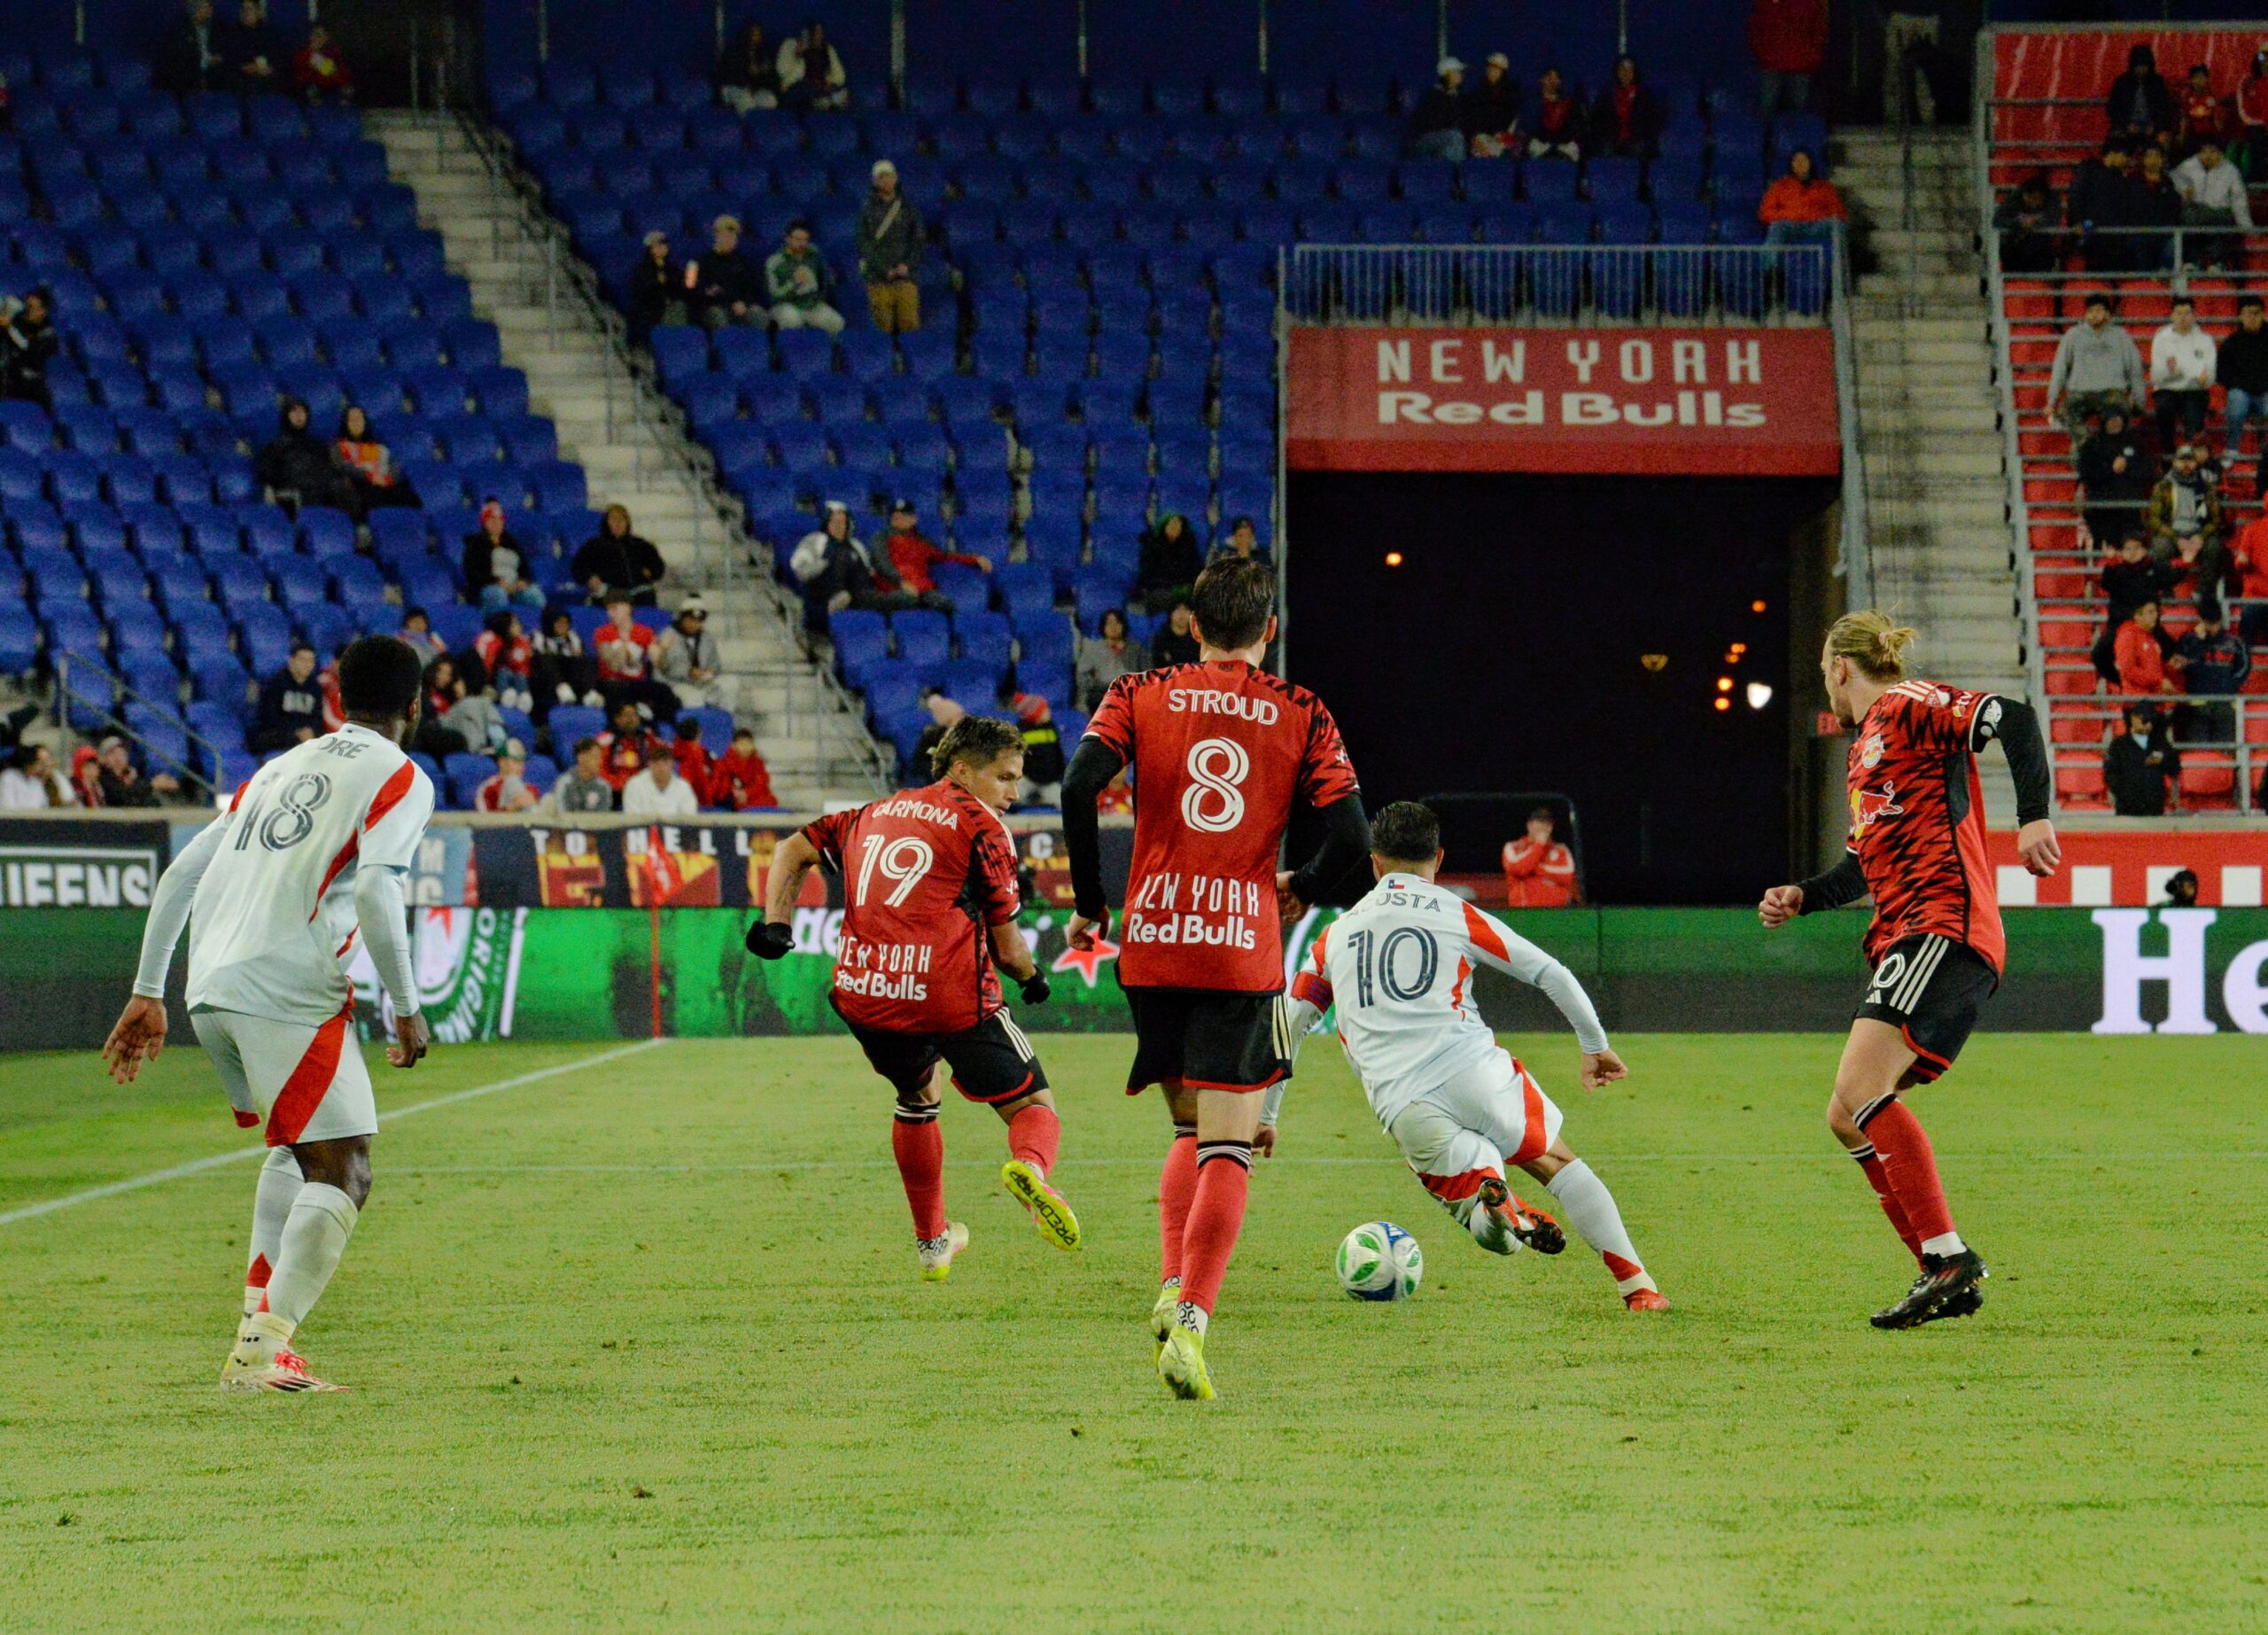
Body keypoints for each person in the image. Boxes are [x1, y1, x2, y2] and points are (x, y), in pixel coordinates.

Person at [1060, 557, 1371, 1400]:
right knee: (1230, 1143)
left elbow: (1079, 784)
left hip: (1155, 939)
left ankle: (1171, 1282)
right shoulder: (1301, 709)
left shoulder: (1138, 690)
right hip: (1238, 945)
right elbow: (1352, 834)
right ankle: (1193, 1322)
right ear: (1269, 630)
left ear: (1192, 627)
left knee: (1187, 1127)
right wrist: (1304, 883)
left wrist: (1090, 902)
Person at [104, 636, 435, 1393]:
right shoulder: (400, 774)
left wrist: (150, 988)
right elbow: (379, 889)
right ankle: (261, 1353)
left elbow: (183, 873)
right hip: (285, 986)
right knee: (345, 1169)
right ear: (416, 707)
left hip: (209, 985)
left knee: (296, 1150)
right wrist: (406, 1004)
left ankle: (258, 1337)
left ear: (336, 699)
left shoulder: (278, 767)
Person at [1758, 611, 2057, 1329]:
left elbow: (2013, 719)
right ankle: (1937, 1265)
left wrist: (2034, 816)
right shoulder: (1867, 751)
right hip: (1909, 933)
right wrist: (1804, 895)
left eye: (1824, 672)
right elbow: (1861, 865)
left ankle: (1950, 1260)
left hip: (1943, 923)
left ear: (1839, 667)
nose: (1827, 686)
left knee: (1860, 1086)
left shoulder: (1907, 704)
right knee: (1845, 1113)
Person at [1281, 801, 1665, 1312]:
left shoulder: (1335, 935)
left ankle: (1495, 1202)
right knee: (1558, 1164)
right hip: (1473, 1072)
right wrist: (1595, 1046)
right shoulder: (1456, 913)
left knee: (1485, 1226)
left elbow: (1289, 1023)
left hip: (1402, 1103)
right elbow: (1550, 972)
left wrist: (1265, 1115)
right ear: (1438, 858)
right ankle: (1639, 1289)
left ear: (1375, 862)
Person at [750, 713, 1073, 1273]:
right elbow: (1008, 949)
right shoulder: (982, 827)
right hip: (948, 995)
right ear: (962, 770)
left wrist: (777, 923)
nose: (1014, 794)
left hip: (866, 993)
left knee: (918, 1098)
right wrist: (1032, 979)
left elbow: (789, 850)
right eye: (1004, 777)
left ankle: (933, 1243)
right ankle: (1030, 1168)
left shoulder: (870, 813)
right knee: (1033, 1106)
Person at [2047, 293, 2146, 448]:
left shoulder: (2121, 336)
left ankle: (2110, 450)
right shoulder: (2072, 336)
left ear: (2108, 314)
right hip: (2080, 393)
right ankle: (2087, 446)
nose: (2094, 315)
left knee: (2119, 416)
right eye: (2090, 311)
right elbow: (2059, 369)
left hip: (2112, 393)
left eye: (2099, 310)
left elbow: (2135, 370)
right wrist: (2051, 401)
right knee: (2066, 412)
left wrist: (2138, 400)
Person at [857, 160, 925, 335]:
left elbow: (918, 241)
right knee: (882, 327)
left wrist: (907, 265)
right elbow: (864, 244)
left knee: (909, 325)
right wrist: (884, 269)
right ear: (875, 182)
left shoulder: (909, 209)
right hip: (878, 278)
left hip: (905, 276)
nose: (886, 181)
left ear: (896, 179)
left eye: (889, 177)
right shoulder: (866, 211)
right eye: (882, 178)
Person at [255, 397, 352, 512]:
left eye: (302, 412)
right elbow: (266, 474)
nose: (299, 416)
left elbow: (331, 468)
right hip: (296, 490)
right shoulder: (275, 446)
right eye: (294, 411)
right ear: (286, 416)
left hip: (324, 487)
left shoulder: (317, 444)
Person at [2078, 409, 2154, 550]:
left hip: (2130, 504)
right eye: (2111, 420)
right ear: (2104, 422)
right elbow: (2087, 475)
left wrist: (2127, 467)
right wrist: (2111, 470)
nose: (2115, 423)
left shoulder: (2136, 443)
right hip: (2102, 505)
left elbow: (2147, 471)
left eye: (2118, 420)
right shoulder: (2092, 445)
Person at [2178, 595, 2249, 744]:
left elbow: (2244, 668)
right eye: (2209, 623)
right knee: (2198, 749)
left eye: (2216, 622)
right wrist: (2200, 642)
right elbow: (2184, 668)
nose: (2213, 627)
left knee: (2225, 749)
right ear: (2201, 620)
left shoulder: (2235, 643)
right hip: (2197, 704)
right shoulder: (2188, 641)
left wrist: (2229, 685)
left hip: (2225, 703)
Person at [2172, 135, 2250, 269]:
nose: (2207, 156)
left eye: (2212, 151)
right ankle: (2192, 262)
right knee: (2189, 218)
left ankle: (2216, 263)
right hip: (2195, 215)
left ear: (2221, 154)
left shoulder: (2230, 171)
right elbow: (2174, 179)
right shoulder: (2188, 166)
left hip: (2219, 215)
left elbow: (2239, 201)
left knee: (2225, 224)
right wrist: (2183, 189)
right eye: (2204, 151)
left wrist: (2247, 228)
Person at [883, 498, 989, 599]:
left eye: (905, 517)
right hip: (894, 592)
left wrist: (974, 559)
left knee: (943, 603)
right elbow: (881, 566)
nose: (900, 521)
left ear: (914, 519)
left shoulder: (923, 543)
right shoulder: (882, 542)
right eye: (896, 518)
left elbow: (945, 556)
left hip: (922, 590)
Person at [594, 596, 680, 720]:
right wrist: (623, 646)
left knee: (664, 691)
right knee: (616, 691)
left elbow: (658, 664)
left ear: (628, 608)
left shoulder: (645, 632)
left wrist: (663, 649)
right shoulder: (602, 633)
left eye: (614, 609)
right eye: (608, 610)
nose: (610, 614)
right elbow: (614, 666)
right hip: (611, 682)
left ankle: (660, 725)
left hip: (635, 683)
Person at [2151, 295, 2217, 449]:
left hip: (2194, 390)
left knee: (2194, 422)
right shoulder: (2161, 339)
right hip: (2167, 390)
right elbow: (2156, 376)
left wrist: (2204, 379)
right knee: (2163, 409)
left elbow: (2209, 375)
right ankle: (2168, 453)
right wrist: (2174, 372)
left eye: (2187, 313)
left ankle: (2192, 455)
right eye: (2179, 313)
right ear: (2172, 316)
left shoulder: (2205, 340)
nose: (2183, 317)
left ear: (2194, 315)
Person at [2145, 444, 2225, 566]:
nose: (2186, 464)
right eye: (2181, 460)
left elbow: (2216, 519)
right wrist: (2176, 539)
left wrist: (2201, 537)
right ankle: (2165, 579)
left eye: (2190, 460)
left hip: (2199, 532)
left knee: (2214, 547)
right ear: (2174, 462)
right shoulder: (2163, 487)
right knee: (2161, 547)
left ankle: (2207, 580)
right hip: (2172, 532)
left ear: (2196, 463)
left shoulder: (2207, 488)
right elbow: (2154, 519)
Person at [461, 498, 546, 613]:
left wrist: (523, 581)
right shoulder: (475, 545)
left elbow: (524, 567)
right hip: (489, 587)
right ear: (484, 523)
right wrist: (495, 581)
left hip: (515, 586)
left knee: (534, 593)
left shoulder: (511, 542)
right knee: (497, 594)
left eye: (499, 519)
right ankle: (500, 622)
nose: (496, 523)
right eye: (491, 519)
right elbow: (473, 573)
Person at [571, 504, 666, 606]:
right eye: (613, 519)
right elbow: (578, 568)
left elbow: (658, 567)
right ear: (606, 522)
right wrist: (590, 579)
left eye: (622, 519)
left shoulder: (641, 545)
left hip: (639, 595)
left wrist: (650, 572)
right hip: (609, 595)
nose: (618, 523)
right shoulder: (594, 546)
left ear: (627, 523)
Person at [2069, 139, 2142, 270]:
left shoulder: (2121, 179)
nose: (2127, 160)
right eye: (2125, 156)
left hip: (2113, 238)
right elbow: (2076, 197)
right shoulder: (2088, 170)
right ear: (2113, 154)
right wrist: (2078, 221)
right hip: (2092, 237)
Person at [333, 405, 416, 516]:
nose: (357, 423)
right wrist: (370, 476)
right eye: (352, 420)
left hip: (386, 483)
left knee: (406, 493)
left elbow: (395, 466)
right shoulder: (339, 447)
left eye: (360, 419)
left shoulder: (379, 447)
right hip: (362, 485)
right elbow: (343, 467)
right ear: (346, 424)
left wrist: (387, 480)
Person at [765, 220, 844, 336]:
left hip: (812, 305)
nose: (802, 244)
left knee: (836, 322)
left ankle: (828, 348)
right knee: (792, 320)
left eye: (805, 240)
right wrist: (793, 284)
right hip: (786, 305)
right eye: (798, 240)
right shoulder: (775, 262)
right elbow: (772, 296)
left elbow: (823, 279)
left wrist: (821, 295)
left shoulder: (814, 254)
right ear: (787, 239)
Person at [1749, 0, 1826, 115]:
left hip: (1781, 60)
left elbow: (1755, 28)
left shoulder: (1810, 4)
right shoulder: (1812, 3)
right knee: (1793, 105)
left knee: (1771, 104)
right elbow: (1756, 29)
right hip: (1795, 60)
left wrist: (1761, 52)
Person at [1758, 148, 1845, 247]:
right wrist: (1788, 216)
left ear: (1810, 163)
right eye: (1796, 160)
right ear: (1791, 164)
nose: (1800, 163)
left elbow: (1838, 212)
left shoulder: (1824, 187)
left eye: (1804, 160)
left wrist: (1815, 216)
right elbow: (1765, 212)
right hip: (1790, 225)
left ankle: (1839, 257)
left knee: (1836, 225)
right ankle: (1769, 258)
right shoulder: (1779, 186)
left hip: (1816, 225)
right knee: (1777, 226)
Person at [687, 215, 762, 331]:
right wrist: (706, 292)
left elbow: (753, 287)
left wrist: (745, 303)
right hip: (712, 307)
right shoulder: (697, 260)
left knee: (757, 313)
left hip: (739, 306)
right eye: (726, 237)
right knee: (718, 315)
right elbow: (689, 287)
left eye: (733, 237)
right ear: (716, 236)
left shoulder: (743, 261)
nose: (730, 241)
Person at [2218, 294, 2268, 460]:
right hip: (2241, 391)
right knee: (2236, 400)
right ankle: (2232, 448)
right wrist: (2240, 385)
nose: (2252, 318)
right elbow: (2222, 374)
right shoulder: (2231, 343)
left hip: (2266, 392)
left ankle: (2265, 448)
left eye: (2256, 313)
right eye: (2248, 314)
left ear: (2262, 315)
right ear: (2241, 316)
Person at [2104, 705, 2179, 816]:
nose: (2148, 724)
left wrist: (2163, 761)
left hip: (2155, 809)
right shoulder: (2118, 745)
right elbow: (2110, 774)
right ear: (2133, 719)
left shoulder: (2160, 744)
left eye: (2151, 721)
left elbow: (2175, 769)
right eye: (2144, 720)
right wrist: (2125, 794)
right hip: (2127, 809)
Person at [252, 643, 324, 753]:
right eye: (303, 660)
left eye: (311, 661)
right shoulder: (276, 683)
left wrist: (310, 730)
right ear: (291, 661)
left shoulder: (315, 687)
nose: (308, 664)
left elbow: (317, 716)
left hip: (305, 736)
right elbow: (269, 716)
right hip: (279, 733)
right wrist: (296, 732)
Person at [1590, 55, 1664, 160]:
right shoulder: (1607, 94)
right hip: (1611, 141)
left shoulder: (1645, 94)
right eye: (1622, 69)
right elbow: (1596, 119)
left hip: (1637, 141)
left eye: (1629, 69)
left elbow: (1653, 121)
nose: (1626, 73)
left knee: (1642, 150)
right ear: (1617, 72)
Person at [1502, 807, 1579, 907]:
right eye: (1540, 822)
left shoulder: (1561, 849)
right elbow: (1517, 868)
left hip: (1560, 910)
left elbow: (1567, 876)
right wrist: (1539, 845)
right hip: (1525, 910)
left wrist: (1532, 870)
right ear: (1529, 825)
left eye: (1548, 824)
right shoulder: (1513, 847)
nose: (1544, 827)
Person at [654, 597, 720, 710]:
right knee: (694, 697)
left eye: (698, 621)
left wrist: (712, 670)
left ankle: (722, 718)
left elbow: (715, 662)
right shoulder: (668, 635)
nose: (694, 624)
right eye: (690, 619)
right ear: (682, 617)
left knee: (730, 684)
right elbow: (665, 667)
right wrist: (689, 671)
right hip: (675, 683)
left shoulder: (706, 637)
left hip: (702, 682)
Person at [1076, 607, 1147, 712]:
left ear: (1123, 626)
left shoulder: (1136, 648)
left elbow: (1147, 673)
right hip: (1102, 693)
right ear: (1103, 627)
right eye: (1109, 623)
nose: (1113, 627)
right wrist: (1097, 685)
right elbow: (1082, 675)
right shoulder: (1093, 649)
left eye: (1117, 623)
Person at [531, 606, 602, 710]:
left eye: (565, 623)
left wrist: (576, 654)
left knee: (587, 660)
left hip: (570, 675)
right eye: (559, 623)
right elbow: (538, 656)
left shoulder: (573, 637)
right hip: (548, 680)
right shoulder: (538, 636)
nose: (563, 626)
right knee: (544, 659)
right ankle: (561, 688)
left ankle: (589, 692)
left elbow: (579, 655)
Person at [1882, 4, 1942, 125]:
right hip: (1908, 14)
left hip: (1923, 15)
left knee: (1925, 75)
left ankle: (1928, 118)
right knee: (1898, 73)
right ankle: (1894, 118)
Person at [2107, 43, 2177, 146]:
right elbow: (2113, 108)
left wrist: (2155, 126)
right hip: (2126, 127)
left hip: (2152, 128)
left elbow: (2165, 109)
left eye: (2144, 66)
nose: (2140, 69)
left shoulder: (2158, 82)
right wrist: (2126, 125)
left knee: (2163, 141)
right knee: (2115, 144)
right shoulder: (2122, 82)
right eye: (2137, 66)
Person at [1992, 172, 2062, 275]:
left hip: (2041, 247)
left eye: (2036, 199)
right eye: (2029, 198)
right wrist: (2019, 224)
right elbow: (1997, 220)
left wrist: (2035, 223)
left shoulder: (2053, 200)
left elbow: (2054, 222)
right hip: (2016, 245)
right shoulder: (2014, 198)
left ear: (2043, 197)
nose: (2033, 202)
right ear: (2023, 194)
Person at [0, 288, 58, 410]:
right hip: (9, 373)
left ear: (42, 311)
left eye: (31, 308)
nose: (27, 311)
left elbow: (28, 348)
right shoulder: (20, 319)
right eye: (27, 306)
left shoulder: (47, 333)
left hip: (30, 380)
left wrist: (9, 328)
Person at [625, 230, 687, 345]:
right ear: (650, 249)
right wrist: (657, 283)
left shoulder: (672, 268)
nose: (662, 248)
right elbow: (641, 293)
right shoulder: (642, 270)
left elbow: (680, 287)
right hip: (652, 309)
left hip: (671, 305)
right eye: (657, 245)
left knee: (679, 307)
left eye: (663, 244)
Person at [1136, 511, 1204, 611]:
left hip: (1184, 589)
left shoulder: (1188, 546)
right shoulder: (1152, 546)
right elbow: (1147, 574)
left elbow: (1196, 569)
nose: (1175, 527)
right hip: (1159, 589)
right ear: (1164, 526)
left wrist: (1186, 587)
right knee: (1162, 597)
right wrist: (1172, 589)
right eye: (1171, 524)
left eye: (1178, 524)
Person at [2115, 596, 2179, 701]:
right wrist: (2159, 681)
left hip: (2152, 698)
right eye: (2150, 612)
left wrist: (2170, 666)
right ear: (2137, 616)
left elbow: (2151, 667)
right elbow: (2128, 670)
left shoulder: (2150, 637)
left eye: (2156, 611)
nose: (2155, 615)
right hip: (2138, 700)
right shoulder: (2128, 636)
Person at [595, 700, 667, 790]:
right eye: (627, 715)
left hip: (643, 790)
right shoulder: (606, 739)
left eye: (634, 715)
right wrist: (617, 785)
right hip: (614, 790)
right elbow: (598, 768)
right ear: (617, 719)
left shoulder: (648, 738)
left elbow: (666, 754)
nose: (631, 719)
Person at [777, 20, 848, 113]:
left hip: (820, 87)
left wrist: (831, 83)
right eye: (815, 32)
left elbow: (840, 76)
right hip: (796, 87)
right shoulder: (791, 44)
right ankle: (824, 102)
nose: (818, 35)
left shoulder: (828, 49)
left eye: (820, 32)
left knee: (842, 93)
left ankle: (825, 101)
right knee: (804, 89)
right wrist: (797, 55)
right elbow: (782, 71)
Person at [1406, 58, 1468, 162]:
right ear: (1447, 75)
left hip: (1445, 139)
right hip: (1423, 141)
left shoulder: (1459, 96)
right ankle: (1455, 169)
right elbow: (1429, 123)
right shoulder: (1433, 95)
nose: (1460, 75)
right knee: (1454, 137)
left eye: (1460, 72)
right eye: (1456, 72)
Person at [1518, 66, 1585, 162]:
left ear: (1560, 81)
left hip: (1565, 145)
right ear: (1541, 80)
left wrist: (1558, 143)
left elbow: (1576, 127)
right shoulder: (1532, 103)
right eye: (1549, 77)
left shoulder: (1570, 103)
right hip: (1539, 145)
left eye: (1556, 77)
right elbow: (1528, 127)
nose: (1552, 80)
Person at [473, 610, 534, 713]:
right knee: (504, 671)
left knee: (520, 675)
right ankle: (505, 696)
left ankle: (524, 699)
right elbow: (483, 666)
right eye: (515, 624)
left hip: (516, 680)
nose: (520, 626)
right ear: (505, 626)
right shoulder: (490, 640)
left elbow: (525, 667)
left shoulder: (522, 642)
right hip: (493, 682)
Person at [713, 21, 781, 113]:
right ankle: (747, 122)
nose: (757, 38)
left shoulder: (762, 53)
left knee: (771, 100)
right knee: (746, 100)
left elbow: (771, 78)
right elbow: (729, 75)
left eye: (759, 35)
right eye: (754, 35)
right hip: (732, 87)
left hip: (754, 90)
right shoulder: (733, 51)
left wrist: (764, 73)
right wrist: (748, 71)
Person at [157, 0, 223, 95]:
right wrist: (205, 61)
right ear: (195, 10)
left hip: (212, 76)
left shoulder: (217, 28)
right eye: (206, 8)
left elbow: (223, 50)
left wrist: (219, 58)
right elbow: (178, 58)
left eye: (211, 7)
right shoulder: (180, 30)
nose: (210, 11)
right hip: (187, 78)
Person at [218, 0, 282, 97]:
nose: (246, 13)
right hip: (241, 77)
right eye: (243, 9)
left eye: (250, 9)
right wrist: (245, 67)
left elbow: (277, 56)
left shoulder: (269, 32)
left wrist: (270, 68)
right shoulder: (233, 33)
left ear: (258, 11)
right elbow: (228, 58)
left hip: (266, 75)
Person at [95, 735, 179, 807]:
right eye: (112, 753)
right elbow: (121, 796)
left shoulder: (130, 774)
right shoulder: (102, 777)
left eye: (121, 752)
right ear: (103, 759)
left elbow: (139, 792)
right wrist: (152, 785)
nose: (118, 756)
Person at [2176, 62, 2234, 160]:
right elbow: (2184, 118)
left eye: (2202, 77)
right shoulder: (2187, 95)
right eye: (2196, 77)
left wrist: (2219, 134)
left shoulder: (2212, 95)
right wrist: (2182, 136)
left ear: (2207, 79)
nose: (2199, 80)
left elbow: (2217, 118)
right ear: (2191, 80)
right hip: (2192, 135)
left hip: (2209, 136)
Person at [709, 727, 777, 810]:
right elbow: (719, 786)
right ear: (733, 746)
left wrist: (747, 793)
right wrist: (736, 793)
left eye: (749, 744)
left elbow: (761, 782)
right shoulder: (724, 763)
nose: (746, 747)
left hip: (751, 796)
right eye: (742, 744)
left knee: (771, 800)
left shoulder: (757, 762)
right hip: (733, 799)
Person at [1463, 53, 1518, 154]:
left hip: (1506, 135)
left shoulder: (1512, 91)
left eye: (1496, 68)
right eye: (1490, 67)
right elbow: (1474, 117)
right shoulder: (1479, 91)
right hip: (1484, 135)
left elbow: (1512, 115)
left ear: (1503, 72)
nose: (1491, 71)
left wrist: (1503, 133)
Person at [547, 737, 616, 814]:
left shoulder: (603, 786)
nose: (600, 761)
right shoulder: (565, 783)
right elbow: (563, 816)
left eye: (600, 757)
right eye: (595, 757)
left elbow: (604, 817)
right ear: (581, 758)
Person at [620, 753, 699, 819]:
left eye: (665, 763)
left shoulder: (683, 786)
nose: (661, 768)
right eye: (656, 764)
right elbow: (632, 817)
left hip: (676, 831)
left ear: (672, 765)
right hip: (642, 831)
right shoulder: (635, 785)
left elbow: (689, 817)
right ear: (650, 765)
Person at [0, 743, 76, 808]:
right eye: (40, 763)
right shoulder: (9, 777)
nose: (43, 766)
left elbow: (43, 805)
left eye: (48, 760)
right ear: (29, 764)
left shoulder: (37, 782)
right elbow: (8, 806)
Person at [291, 22, 353, 102]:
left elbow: (337, 72)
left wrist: (338, 78)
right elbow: (300, 74)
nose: (317, 39)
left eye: (321, 36)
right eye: (314, 35)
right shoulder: (303, 54)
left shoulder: (333, 53)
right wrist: (313, 54)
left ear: (327, 38)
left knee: (347, 89)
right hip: (312, 88)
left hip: (332, 86)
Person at [475, 740, 540, 813]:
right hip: (503, 819)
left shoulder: (531, 788)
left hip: (531, 818)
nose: (521, 766)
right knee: (512, 780)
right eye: (516, 762)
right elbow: (484, 818)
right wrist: (511, 807)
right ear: (502, 762)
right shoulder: (488, 788)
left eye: (522, 762)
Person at [2239, 45, 2268, 179]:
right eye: (2262, 56)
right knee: (2257, 141)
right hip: (2255, 127)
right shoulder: (2247, 81)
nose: (2265, 60)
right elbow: (2243, 111)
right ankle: (2258, 180)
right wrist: (2262, 124)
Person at [1150, 600, 1200, 668]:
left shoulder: (1198, 639)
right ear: (1170, 614)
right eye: (1177, 609)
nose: (1181, 614)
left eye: (1186, 610)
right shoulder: (1161, 640)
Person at [670, 716, 713, 794]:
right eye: (700, 731)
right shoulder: (695, 752)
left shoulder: (676, 749)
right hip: (695, 795)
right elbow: (700, 783)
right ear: (698, 733)